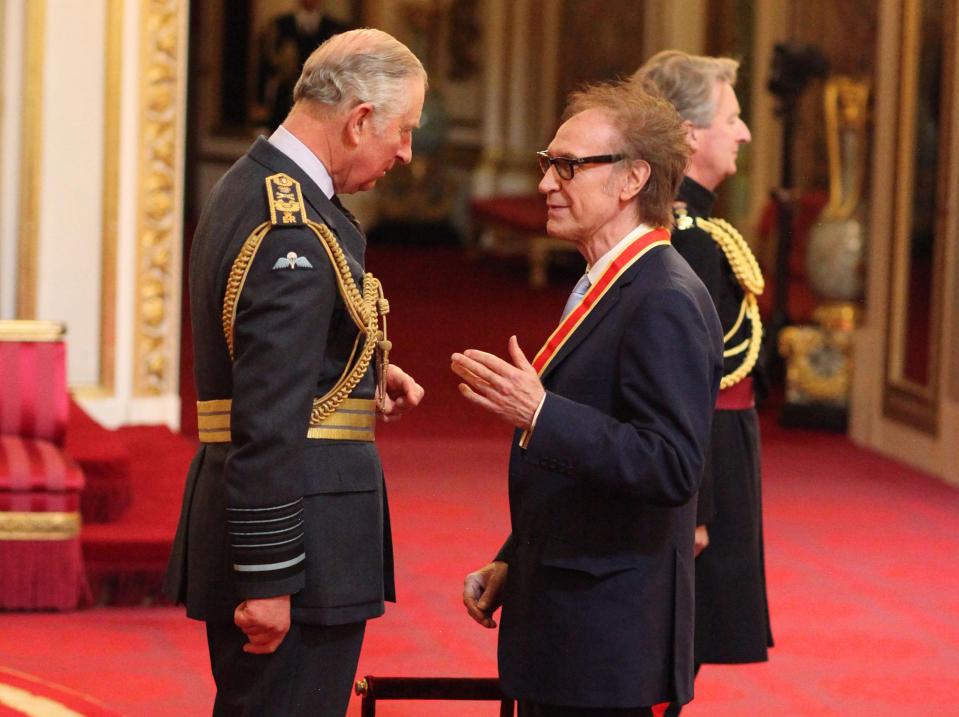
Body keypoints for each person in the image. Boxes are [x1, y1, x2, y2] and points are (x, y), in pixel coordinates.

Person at [164, 29, 426, 717]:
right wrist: (271, 575)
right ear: (359, 118)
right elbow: (267, 412)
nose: (405, 151)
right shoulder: (292, 228)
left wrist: (366, 368)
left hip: (276, 518)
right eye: (402, 131)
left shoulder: (254, 187)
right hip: (299, 539)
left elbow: (271, 358)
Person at [453, 80, 724, 716]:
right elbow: (593, 463)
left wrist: (541, 413)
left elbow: (673, 464)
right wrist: (515, 561)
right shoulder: (610, 282)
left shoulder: (662, 298)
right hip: (573, 625)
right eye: (548, 164)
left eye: (569, 166)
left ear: (632, 179)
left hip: (611, 649)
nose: (547, 183)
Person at [633, 51, 774, 716]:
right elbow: (685, 385)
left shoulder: (702, 230)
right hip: (703, 464)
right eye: (732, 118)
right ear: (689, 135)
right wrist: (694, 502)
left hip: (722, 453)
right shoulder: (684, 238)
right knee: (670, 650)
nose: (743, 132)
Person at [257, 0, 350, 129]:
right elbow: (267, 63)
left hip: (322, 93)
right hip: (285, 95)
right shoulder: (280, 25)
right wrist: (261, 99)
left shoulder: (334, 28)